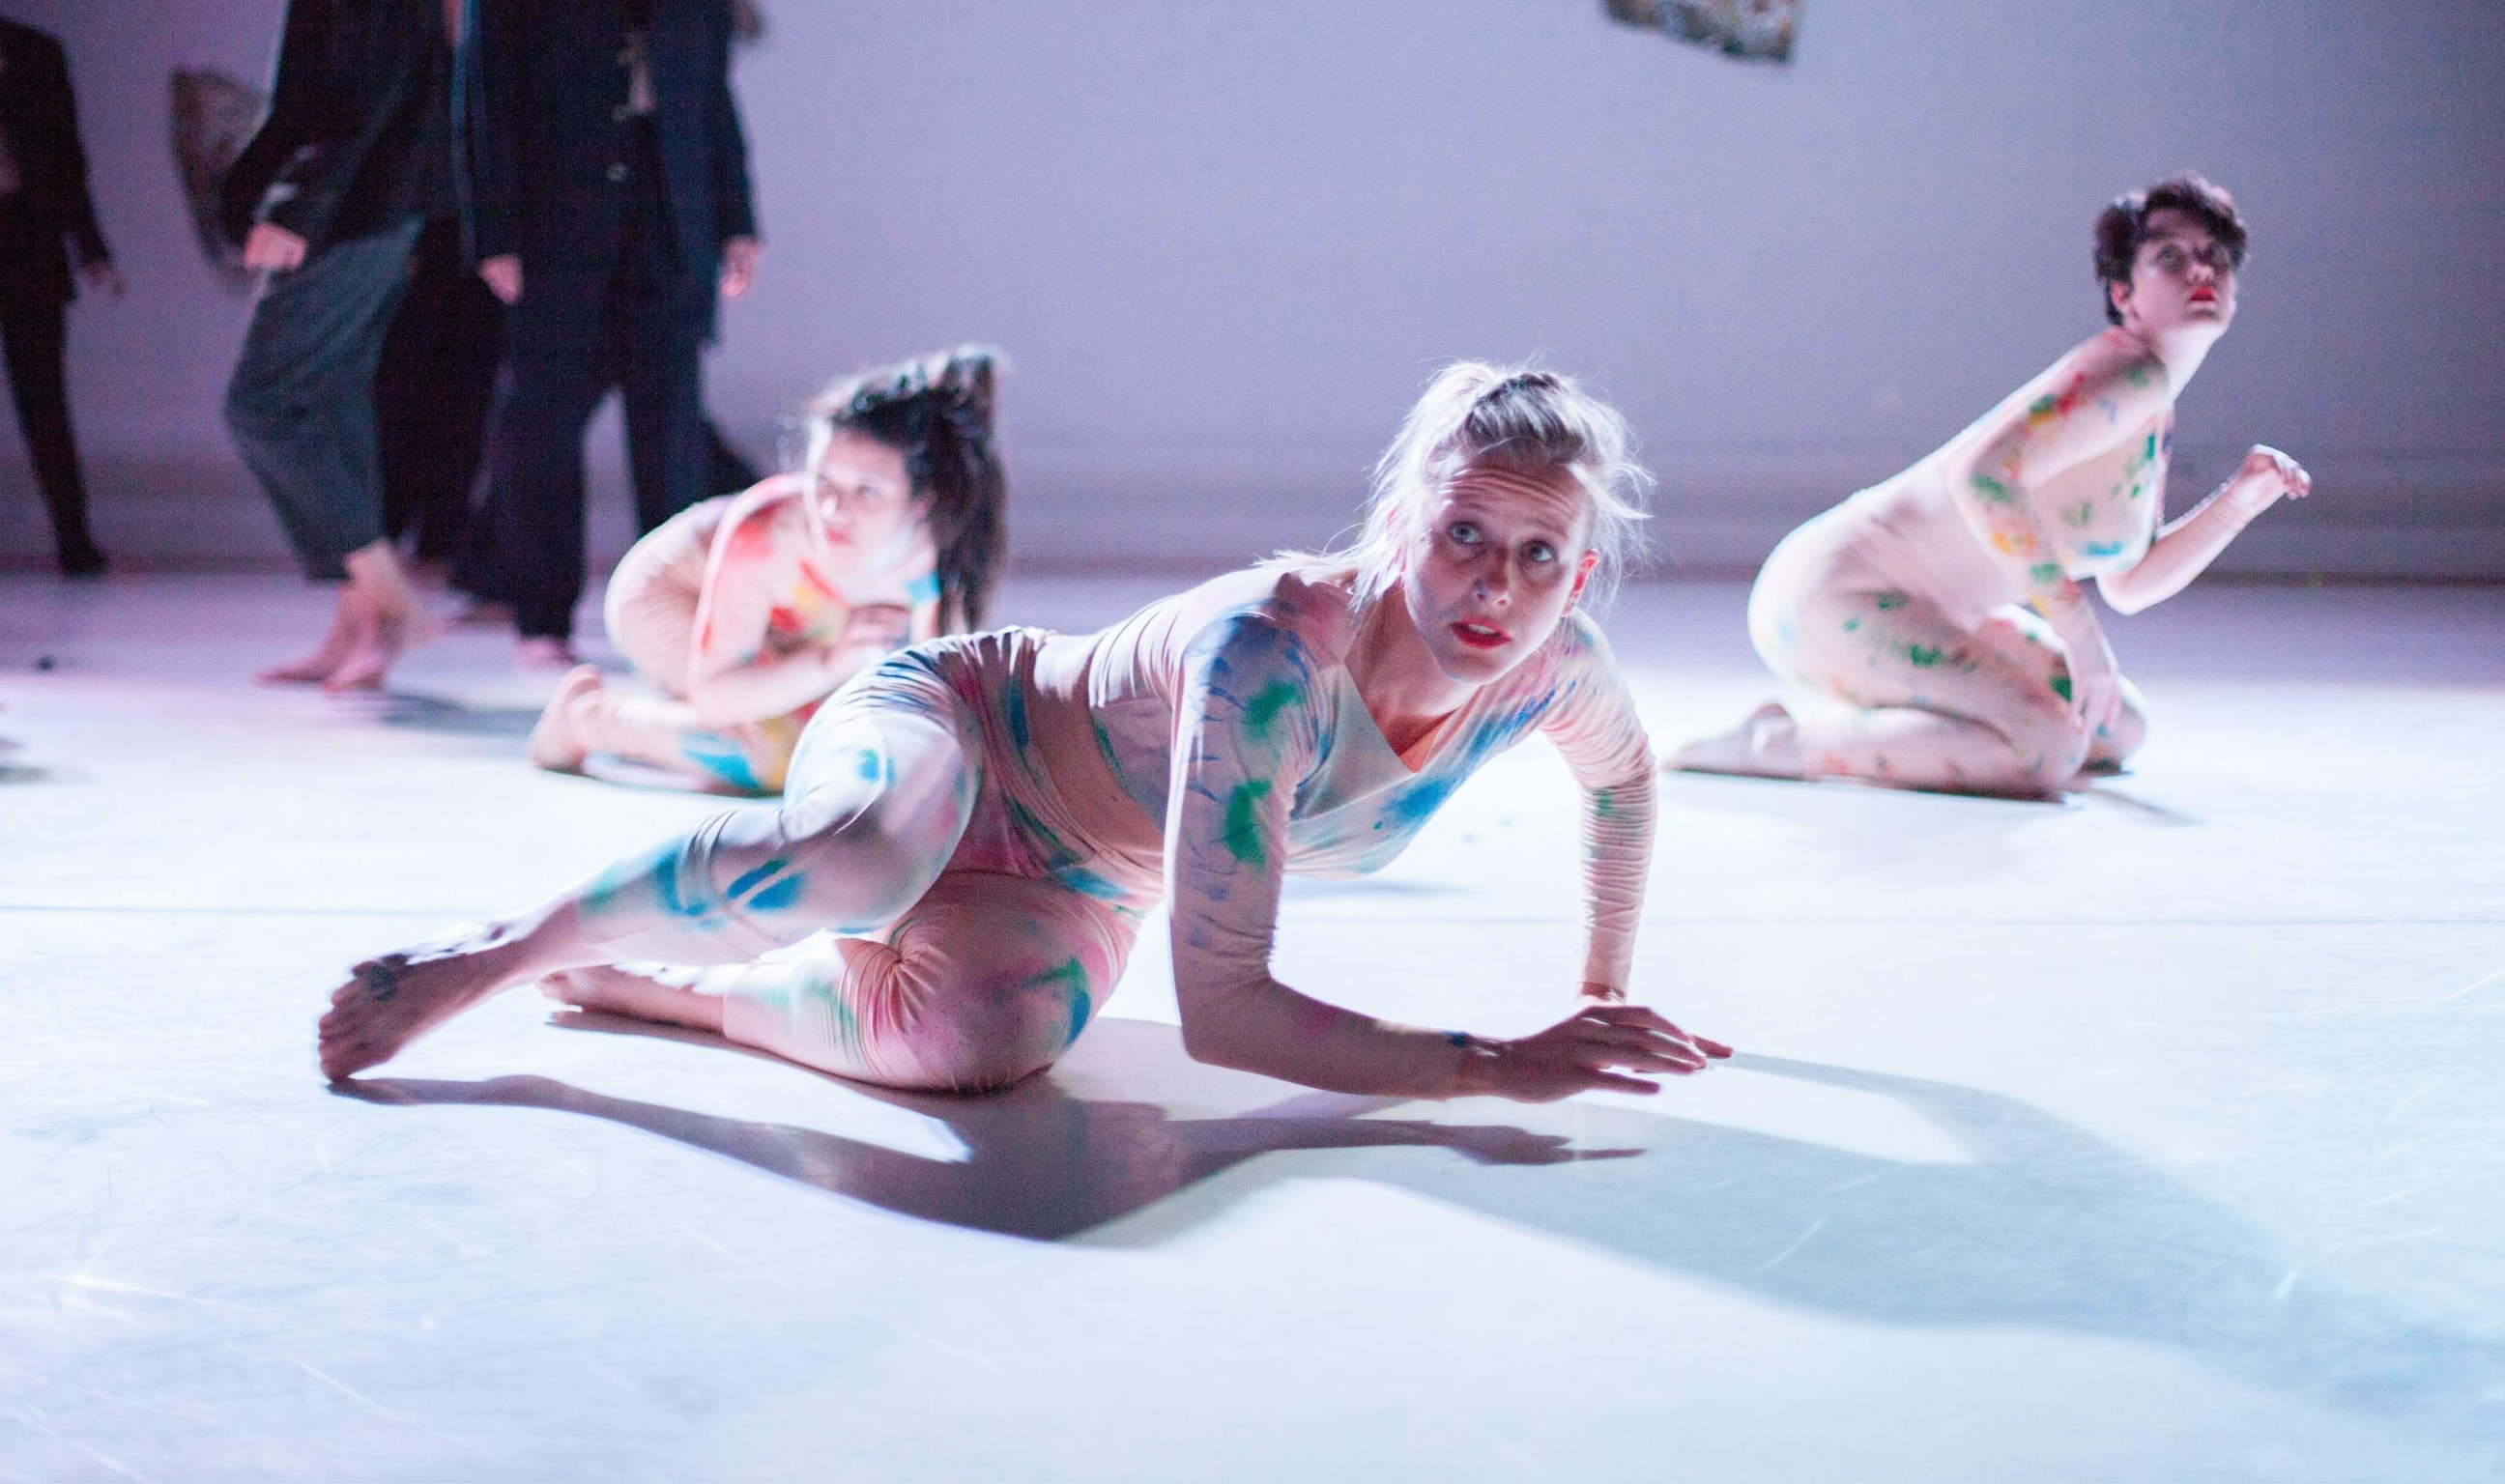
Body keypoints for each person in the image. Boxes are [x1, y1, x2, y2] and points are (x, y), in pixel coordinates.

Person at [317, 363, 1732, 1101]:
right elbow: (1226, 1014)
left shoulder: (1560, 671)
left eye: (1540, 558)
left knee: (984, 1047)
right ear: (1396, 526)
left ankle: (687, 993)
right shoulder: (1271, 659)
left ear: (1584, 577)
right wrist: (1491, 1062)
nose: (1496, 586)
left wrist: (1603, 988)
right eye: (1464, 535)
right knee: (869, 855)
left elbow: (1625, 781)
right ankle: (504, 951)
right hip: (962, 728)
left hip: (1080, 878)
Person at [1670, 174, 2312, 797]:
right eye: (2170, 256)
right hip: (1835, 595)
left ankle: (1938, 728)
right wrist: (2079, 639)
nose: (2201, 271)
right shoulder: (2129, 374)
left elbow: (2130, 582)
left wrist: (2239, 503)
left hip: (1927, 609)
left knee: (2116, 727)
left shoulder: (2150, 404)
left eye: (2216, 257)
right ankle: (1779, 743)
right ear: (2124, 294)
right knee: (2046, 749)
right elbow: (1981, 475)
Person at [526, 347, 1007, 794]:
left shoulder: (935, 545)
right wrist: (829, 664)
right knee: (776, 757)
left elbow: (927, 687)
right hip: (668, 599)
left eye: (867, 492)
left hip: (786, 632)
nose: (833, 509)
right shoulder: (769, 538)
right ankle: (590, 718)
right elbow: (716, 693)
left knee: (843, 740)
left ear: (922, 503)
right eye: (823, 481)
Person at [469, 0, 762, 667]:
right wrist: (495, 229)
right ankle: (540, 618)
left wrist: (737, 217)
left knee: (670, 427)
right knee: (541, 416)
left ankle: (678, 615)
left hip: (668, 211)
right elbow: (486, 96)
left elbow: (711, 95)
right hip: (557, 213)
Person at [220, 0, 458, 690]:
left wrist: (297, 206)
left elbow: (365, 95)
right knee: (329, 399)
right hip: (373, 203)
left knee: (264, 402)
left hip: (356, 206)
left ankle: (391, 599)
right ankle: (360, 625)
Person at [0, 18, 121, 578]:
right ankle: (74, 540)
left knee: (44, 398)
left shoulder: (34, 53)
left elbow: (66, 156)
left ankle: (74, 540)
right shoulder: (34, 52)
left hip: (28, 239)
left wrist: (90, 245)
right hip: (30, 237)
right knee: (44, 397)